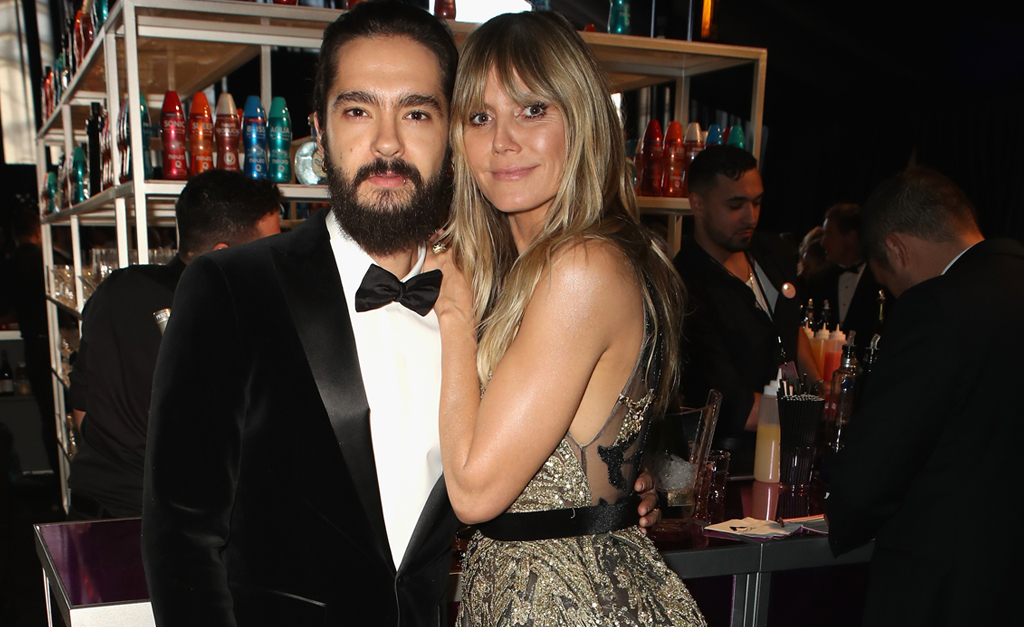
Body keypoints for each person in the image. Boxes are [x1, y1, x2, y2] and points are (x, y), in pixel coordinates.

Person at [141, 3, 659, 625]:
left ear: (449, 138)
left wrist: (613, 496)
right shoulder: (231, 288)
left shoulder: (494, 299)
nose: (387, 142)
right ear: (319, 131)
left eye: (416, 113)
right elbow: (182, 537)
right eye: (358, 111)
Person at [430, 12, 705, 626]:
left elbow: (473, 491)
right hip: (535, 591)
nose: (503, 140)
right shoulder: (522, 270)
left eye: (533, 110)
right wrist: (615, 493)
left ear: (581, 121)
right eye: (480, 117)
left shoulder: (580, 266)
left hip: (566, 603)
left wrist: (453, 311)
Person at [825, 167, 1020, 625]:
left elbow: (880, 460)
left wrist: (842, 511)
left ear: (897, 248)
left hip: (948, 588)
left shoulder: (936, 305)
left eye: (890, 285)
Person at [66, 170, 281, 520]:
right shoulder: (236, 317)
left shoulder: (115, 289)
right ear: (223, 254)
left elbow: (81, 409)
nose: (278, 258)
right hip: (175, 525)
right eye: (271, 247)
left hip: (92, 513)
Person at [672, 146, 822, 474]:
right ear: (697, 204)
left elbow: (789, 324)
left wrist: (818, 385)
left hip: (794, 442)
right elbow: (730, 403)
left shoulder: (771, 252)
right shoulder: (685, 284)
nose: (750, 217)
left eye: (756, 202)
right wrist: (811, 411)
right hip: (731, 462)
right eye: (735, 205)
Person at [807, 203, 887, 350]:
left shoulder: (882, 283)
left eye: (829, 234)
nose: (823, 242)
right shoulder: (816, 282)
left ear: (850, 237)